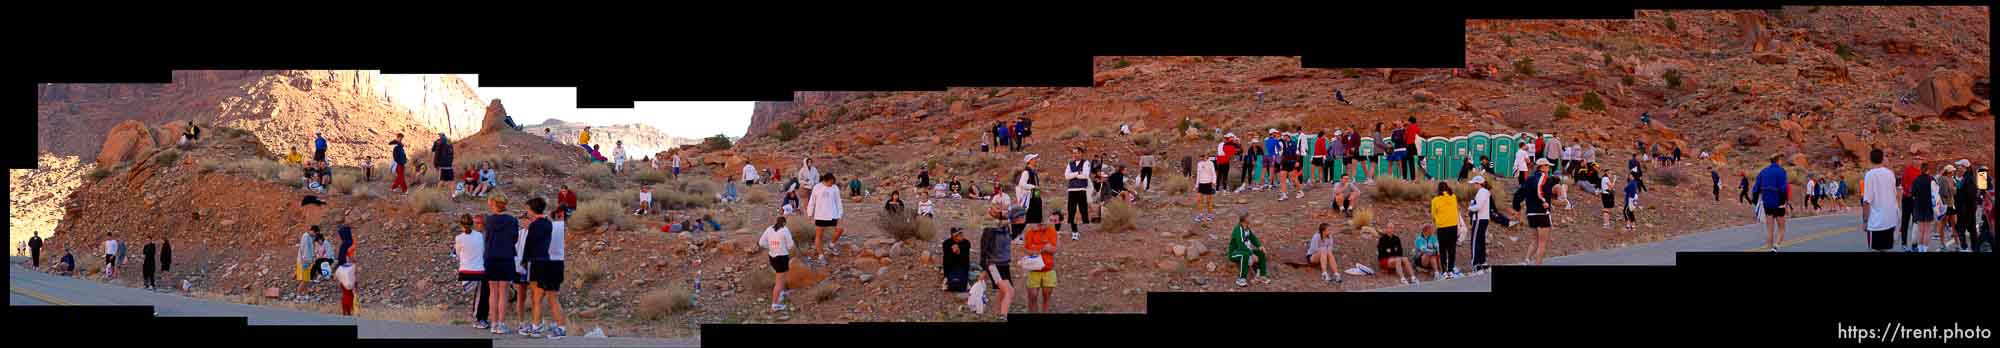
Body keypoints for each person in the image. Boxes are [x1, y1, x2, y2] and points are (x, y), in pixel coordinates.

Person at [522, 197, 566, 338]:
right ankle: (536, 325)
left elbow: (529, 245)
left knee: (547, 297)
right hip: (551, 262)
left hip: (539, 263)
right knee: (539, 296)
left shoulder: (536, 225)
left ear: (532, 209)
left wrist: (524, 260)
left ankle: (559, 327)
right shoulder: (549, 224)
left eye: (528, 209)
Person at [482, 195, 520, 335]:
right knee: (503, 291)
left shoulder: (489, 220)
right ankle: (501, 324)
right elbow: (515, 238)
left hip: (490, 256)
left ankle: (493, 323)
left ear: (494, 203)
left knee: (493, 291)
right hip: (506, 256)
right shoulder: (512, 220)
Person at [454, 214, 491, 329]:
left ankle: (481, 318)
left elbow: (458, 254)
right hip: (480, 269)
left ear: (461, 225)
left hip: (466, 270)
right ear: (473, 224)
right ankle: (479, 318)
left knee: (483, 294)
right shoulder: (480, 236)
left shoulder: (459, 238)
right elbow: (483, 251)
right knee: (483, 294)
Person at [1862, 149, 1899, 251]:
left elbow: (1866, 201)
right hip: (1890, 220)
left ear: (1870, 159)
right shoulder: (1890, 174)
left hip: (1876, 222)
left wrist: (1865, 221)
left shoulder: (1870, 175)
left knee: (1876, 249)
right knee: (1885, 249)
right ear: (1883, 159)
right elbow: (1894, 195)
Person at [805, 172, 846, 264]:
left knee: (840, 229)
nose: (832, 184)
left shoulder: (835, 188)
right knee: (819, 236)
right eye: (831, 182)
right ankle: (821, 256)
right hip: (820, 215)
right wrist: (809, 214)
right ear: (825, 180)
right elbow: (812, 201)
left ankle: (831, 245)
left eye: (833, 182)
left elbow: (838, 201)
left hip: (833, 214)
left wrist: (840, 214)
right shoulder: (817, 187)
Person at [1023, 213, 1060, 313]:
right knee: (1033, 295)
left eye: (1044, 223)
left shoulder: (1051, 231)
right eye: (1040, 224)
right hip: (1034, 269)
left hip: (1048, 268)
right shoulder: (1030, 232)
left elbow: (1053, 249)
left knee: (1047, 295)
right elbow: (1027, 249)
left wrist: (1037, 248)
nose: (1042, 225)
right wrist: (1043, 248)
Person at [1523, 159, 1557, 265]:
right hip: (1541, 213)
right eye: (1547, 166)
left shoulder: (1530, 179)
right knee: (1542, 243)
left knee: (1534, 240)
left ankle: (1526, 261)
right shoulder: (1544, 177)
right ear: (1541, 167)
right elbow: (1539, 190)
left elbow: (1523, 193)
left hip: (1531, 213)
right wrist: (1544, 201)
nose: (1549, 168)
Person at [980, 218, 1016, 316]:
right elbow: (984, 250)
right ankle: (1002, 316)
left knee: (1005, 292)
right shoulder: (990, 231)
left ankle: (997, 313)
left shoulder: (1007, 229)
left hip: (1004, 264)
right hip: (994, 265)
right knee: (1008, 292)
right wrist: (984, 269)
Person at [1755, 153, 1790, 252]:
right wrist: (1783, 202)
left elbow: (1756, 187)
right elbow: (1784, 188)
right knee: (1782, 228)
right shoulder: (1781, 171)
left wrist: (1755, 199)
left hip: (1767, 203)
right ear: (1778, 160)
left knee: (1770, 230)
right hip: (1779, 202)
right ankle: (1775, 247)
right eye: (1781, 160)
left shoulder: (1763, 171)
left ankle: (1769, 248)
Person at [761, 216, 796, 311]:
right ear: (784, 223)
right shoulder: (785, 230)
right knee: (779, 282)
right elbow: (790, 246)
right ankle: (775, 304)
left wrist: (771, 246)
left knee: (782, 276)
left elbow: (761, 243)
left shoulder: (769, 229)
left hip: (772, 257)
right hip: (782, 258)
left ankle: (781, 293)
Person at [1227, 213, 1271, 287]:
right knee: (1245, 254)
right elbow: (1241, 245)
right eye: (1249, 217)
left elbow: (1253, 238)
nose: (1251, 218)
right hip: (1235, 253)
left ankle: (1261, 275)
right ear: (1244, 219)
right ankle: (1241, 279)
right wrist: (1252, 254)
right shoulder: (1238, 229)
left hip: (1246, 250)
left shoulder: (1247, 228)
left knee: (1261, 252)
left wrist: (1260, 246)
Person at [1430, 182, 1463, 278]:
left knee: (1443, 250)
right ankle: (1451, 270)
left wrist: (1437, 220)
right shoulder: (1453, 197)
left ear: (1438, 189)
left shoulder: (1435, 200)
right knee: (1452, 249)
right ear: (1447, 188)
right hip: (1453, 226)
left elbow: (1433, 214)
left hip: (1442, 227)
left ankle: (1444, 272)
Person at [1466, 176, 1498, 274]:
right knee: (1481, 241)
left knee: (1475, 242)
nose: (1473, 186)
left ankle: (1476, 264)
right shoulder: (1486, 192)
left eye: (1474, 184)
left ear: (1478, 184)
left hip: (1479, 219)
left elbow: (1478, 207)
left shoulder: (1481, 192)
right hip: (1484, 219)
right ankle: (1483, 262)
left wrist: (1470, 208)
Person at [1062, 147, 1094, 240]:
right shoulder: (1070, 163)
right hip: (1071, 190)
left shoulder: (1086, 163)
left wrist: (1073, 175)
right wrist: (1077, 173)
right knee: (1071, 211)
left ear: (1081, 153)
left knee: (1083, 210)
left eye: (1077, 153)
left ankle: (1086, 229)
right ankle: (1073, 230)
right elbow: (1066, 176)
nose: (1075, 154)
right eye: (1074, 153)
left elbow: (1085, 175)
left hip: (1081, 190)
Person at [1910, 162, 1938, 252]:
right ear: (1928, 170)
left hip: (1918, 207)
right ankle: (1924, 249)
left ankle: (1919, 248)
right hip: (1929, 207)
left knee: (1920, 230)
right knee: (1927, 230)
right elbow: (1936, 194)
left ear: (1920, 169)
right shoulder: (1931, 180)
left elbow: (1913, 194)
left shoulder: (1916, 180)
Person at [1953, 159, 1979, 252]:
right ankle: (1974, 248)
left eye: (1959, 166)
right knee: (1971, 230)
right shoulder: (1967, 178)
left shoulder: (1968, 179)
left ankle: (1965, 248)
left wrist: (1957, 192)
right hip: (1968, 209)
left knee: (1961, 228)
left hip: (1966, 210)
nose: (1957, 167)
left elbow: (1970, 196)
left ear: (1964, 167)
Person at [296, 225, 319, 297]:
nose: (315, 235)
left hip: (306, 260)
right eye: (316, 233)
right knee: (305, 280)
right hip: (305, 261)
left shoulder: (309, 237)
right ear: (313, 231)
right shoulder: (306, 237)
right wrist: (309, 261)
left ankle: (305, 294)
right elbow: (305, 250)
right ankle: (298, 295)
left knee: (306, 279)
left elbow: (310, 250)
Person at [1195, 155, 1218, 222]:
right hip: (1201, 184)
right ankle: (1200, 215)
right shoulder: (1199, 164)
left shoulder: (1210, 163)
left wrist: (1214, 182)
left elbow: (1213, 173)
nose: (1201, 157)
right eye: (1201, 156)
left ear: (1206, 156)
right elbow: (1198, 174)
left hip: (1208, 184)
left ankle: (1210, 215)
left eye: (1203, 156)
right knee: (1199, 200)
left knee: (1208, 201)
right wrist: (1196, 185)